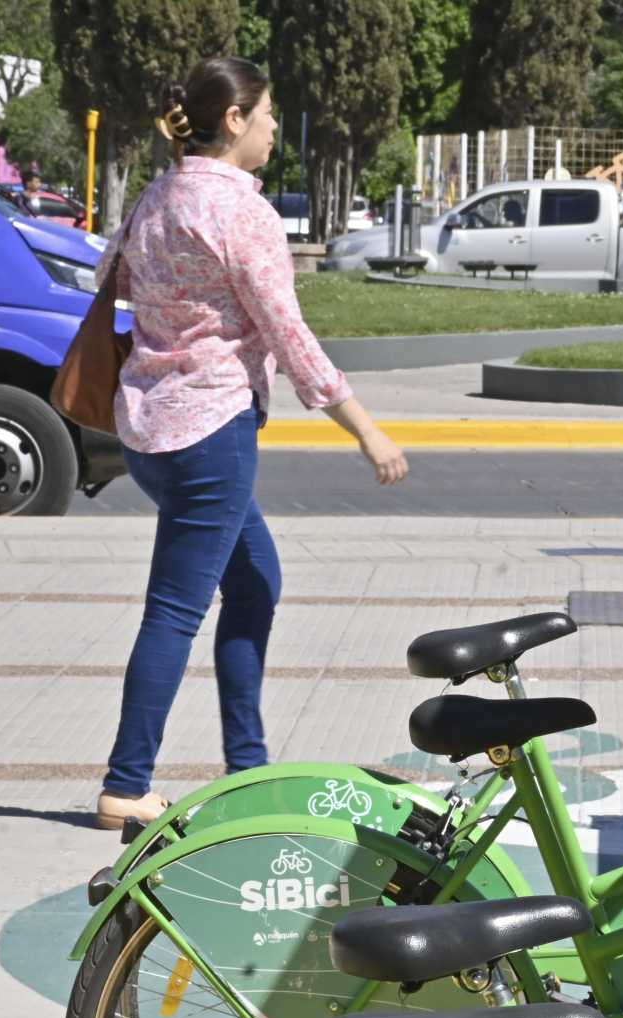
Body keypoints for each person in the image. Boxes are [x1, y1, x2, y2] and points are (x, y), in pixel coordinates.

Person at [93, 56, 408, 831]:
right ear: (233, 121)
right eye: (267, 118)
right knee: (175, 607)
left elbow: (113, 279)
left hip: (150, 428)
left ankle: (248, 765)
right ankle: (126, 782)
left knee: (257, 578)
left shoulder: (157, 196)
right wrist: (364, 427)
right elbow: (287, 330)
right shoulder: (242, 212)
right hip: (211, 428)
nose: (274, 132)